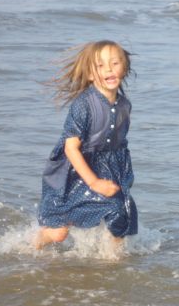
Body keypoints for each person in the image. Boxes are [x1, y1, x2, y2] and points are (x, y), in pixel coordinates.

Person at [33, 40, 138, 259]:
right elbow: (71, 149)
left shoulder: (124, 105)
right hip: (73, 172)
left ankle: (113, 262)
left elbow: (118, 143)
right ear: (90, 74)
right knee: (59, 233)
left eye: (115, 63)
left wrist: (120, 175)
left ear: (124, 67)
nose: (109, 69)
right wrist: (94, 182)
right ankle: (35, 243)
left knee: (120, 212)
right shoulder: (84, 104)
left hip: (108, 167)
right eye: (100, 66)